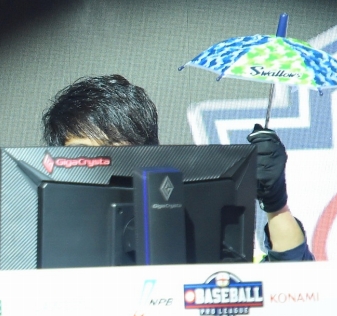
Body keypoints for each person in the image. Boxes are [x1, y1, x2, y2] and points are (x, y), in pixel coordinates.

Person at [40, 74, 313, 260]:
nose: (99, 166)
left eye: (114, 150)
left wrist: (275, 203)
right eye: (84, 155)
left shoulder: (193, 233)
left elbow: (288, 287)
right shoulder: (34, 245)